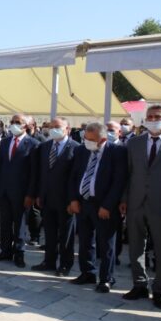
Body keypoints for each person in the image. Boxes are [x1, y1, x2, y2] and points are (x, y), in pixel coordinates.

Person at [120, 104, 161, 309]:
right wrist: (124, 198)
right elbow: (128, 173)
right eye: (149, 116)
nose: (152, 120)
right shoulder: (135, 143)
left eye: (157, 117)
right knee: (136, 246)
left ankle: (159, 289)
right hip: (136, 202)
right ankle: (140, 284)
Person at [69, 123, 127, 294]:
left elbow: (119, 182)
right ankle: (87, 273)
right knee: (85, 241)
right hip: (83, 203)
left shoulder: (117, 152)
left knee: (106, 244)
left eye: (90, 139)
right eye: (85, 138)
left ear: (102, 139)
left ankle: (106, 279)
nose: (85, 141)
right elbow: (74, 176)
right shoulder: (81, 151)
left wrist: (107, 205)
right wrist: (73, 199)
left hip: (103, 206)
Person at [32, 117, 79, 275]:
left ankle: (65, 264)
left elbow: (76, 176)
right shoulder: (45, 146)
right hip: (47, 198)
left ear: (68, 129)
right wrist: (39, 194)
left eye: (58, 127)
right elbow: (41, 173)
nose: (54, 130)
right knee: (50, 233)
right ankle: (49, 261)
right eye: (51, 127)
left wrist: (73, 200)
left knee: (66, 235)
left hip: (66, 200)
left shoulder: (76, 148)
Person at [0, 113, 40, 268]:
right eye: (12, 122)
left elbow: (34, 173)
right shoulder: (5, 142)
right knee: (5, 223)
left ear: (25, 125)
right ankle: (5, 251)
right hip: (4, 190)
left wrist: (30, 194)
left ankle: (19, 253)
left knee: (19, 224)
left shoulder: (33, 144)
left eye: (17, 122)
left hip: (21, 192)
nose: (13, 124)